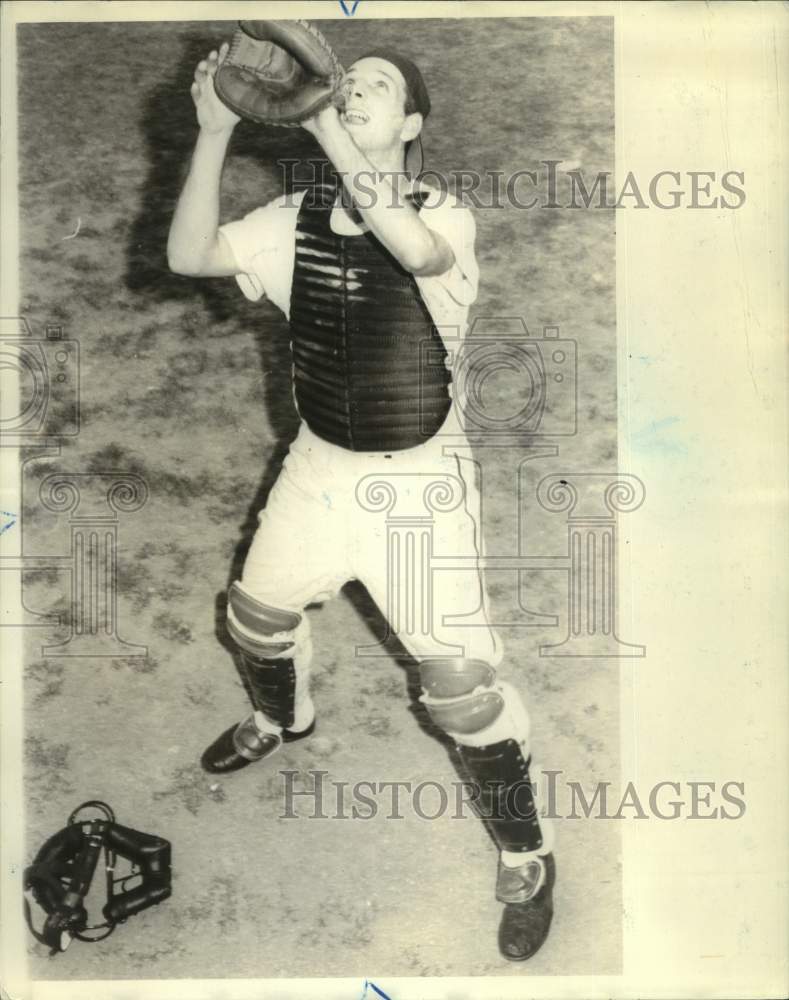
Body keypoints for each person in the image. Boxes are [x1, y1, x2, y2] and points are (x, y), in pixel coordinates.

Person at [167, 39, 555, 962]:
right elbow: (188, 255)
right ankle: (282, 718)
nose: (349, 95)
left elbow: (409, 246)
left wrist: (320, 128)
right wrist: (213, 133)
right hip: (317, 464)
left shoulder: (446, 217)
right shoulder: (292, 215)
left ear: (412, 126)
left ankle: (526, 851)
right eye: (345, 87)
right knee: (254, 618)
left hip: (417, 483)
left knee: (460, 694)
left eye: (372, 89)